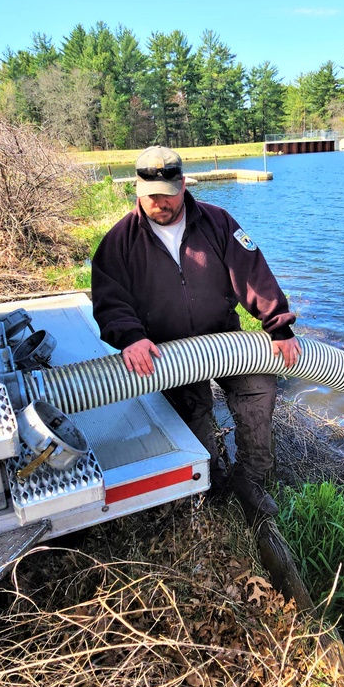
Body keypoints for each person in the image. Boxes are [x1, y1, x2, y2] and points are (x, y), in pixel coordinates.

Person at [91, 146, 301, 516]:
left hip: (224, 338)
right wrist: (130, 337)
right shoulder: (119, 242)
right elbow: (109, 300)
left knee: (259, 389)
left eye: (168, 194)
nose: (160, 203)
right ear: (137, 191)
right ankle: (210, 482)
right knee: (193, 414)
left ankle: (253, 475)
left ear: (183, 184)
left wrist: (278, 325)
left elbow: (253, 273)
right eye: (151, 196)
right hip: (168, 353)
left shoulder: (218, 223)